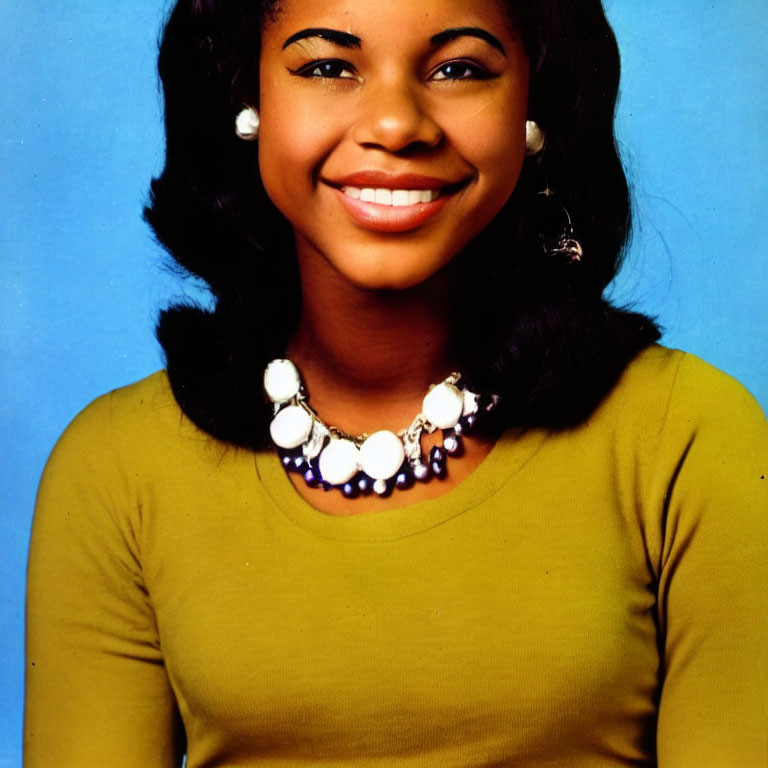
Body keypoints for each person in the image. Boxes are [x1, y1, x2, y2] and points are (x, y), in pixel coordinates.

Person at [24, 0, 767, 765]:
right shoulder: (117, 469)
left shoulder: (690, 438)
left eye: (458, 68)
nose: (396, 124)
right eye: (326, 66)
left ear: (534, 109)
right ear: (246, 101)